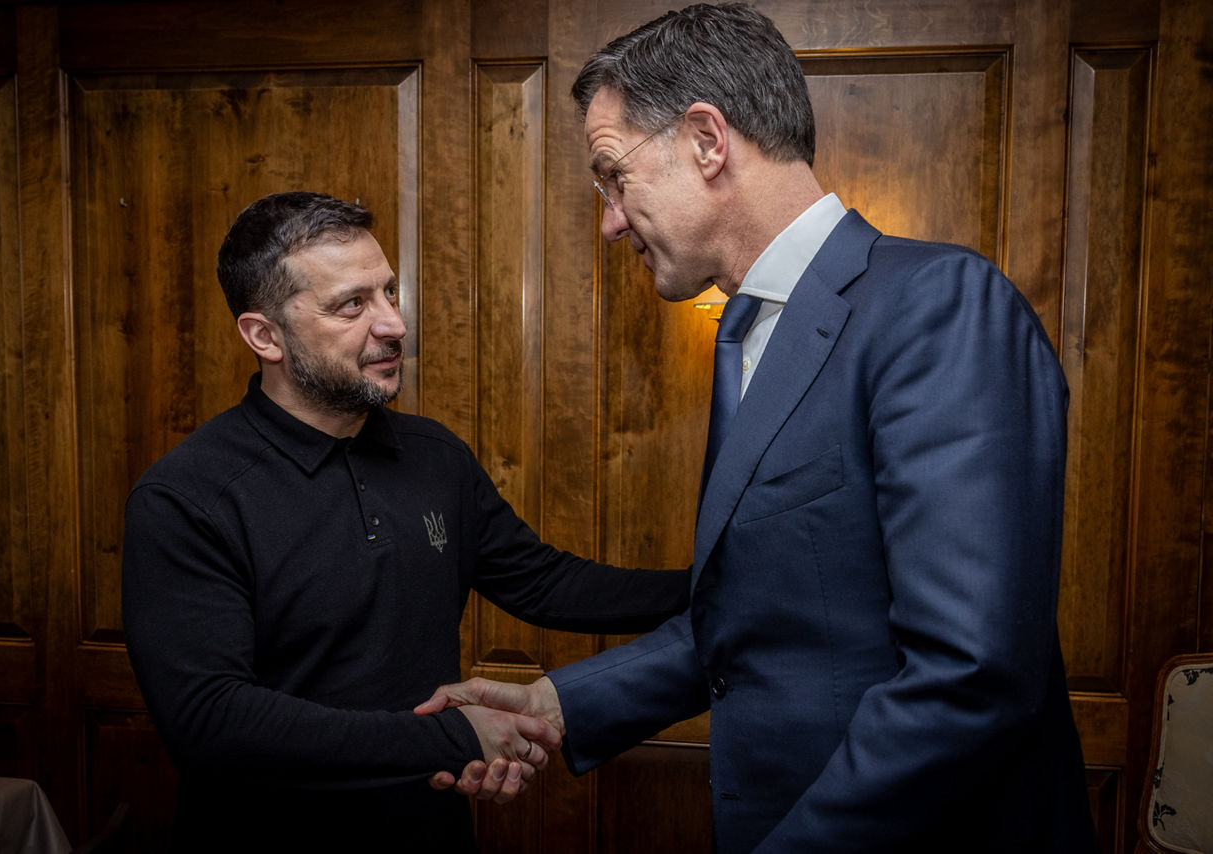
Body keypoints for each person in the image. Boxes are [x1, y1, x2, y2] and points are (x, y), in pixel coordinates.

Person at [416, 5, 1099, 852]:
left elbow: (970, 675)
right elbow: (759, 620)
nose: (611, 219)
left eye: (614, 176)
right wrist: (554, 705)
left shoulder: (936, 305)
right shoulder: (747, 334)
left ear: (708, 140)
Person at [120, 191, 688, 852]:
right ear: (264, 336)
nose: (393, 324)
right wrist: (452, 737)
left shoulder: (433, 455)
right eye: (352, 304)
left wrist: (718, 583)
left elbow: (542, 582)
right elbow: (211, 722)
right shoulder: (186, 497)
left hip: (431, 830)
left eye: (389, 292)